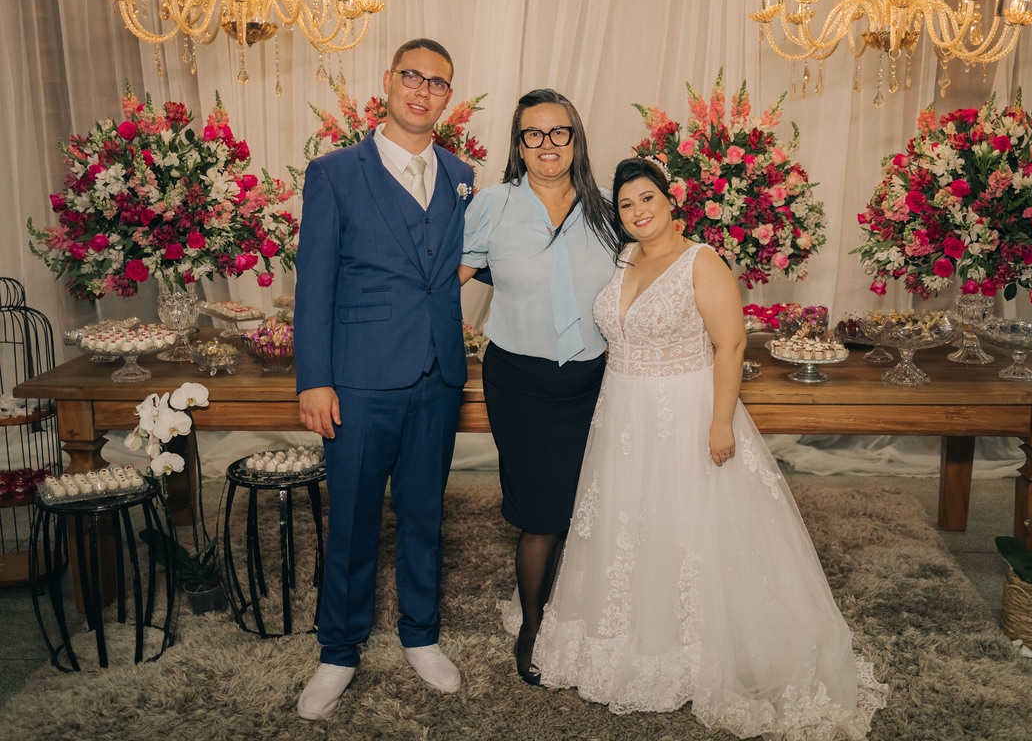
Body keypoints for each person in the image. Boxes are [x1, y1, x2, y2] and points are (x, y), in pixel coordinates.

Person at [531, 157, 888, 739]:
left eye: (647, 198)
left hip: (684, 412)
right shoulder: (623, 258)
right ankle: (629, 641)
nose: (638, 211)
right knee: (628, 524)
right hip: (622, 414)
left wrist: (721, 424)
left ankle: (696, 650)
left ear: (669, 200)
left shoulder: (702, 260)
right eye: (627, 204)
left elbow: (732, 345)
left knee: (687, 524)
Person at [293, 38, 475, 720]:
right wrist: (315, 380)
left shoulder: (461, 174)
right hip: (359, 380)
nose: (423, 91)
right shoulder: (334, 173)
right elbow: (313, 286)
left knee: (425, 515)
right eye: (412, 77)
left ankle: (421, 635)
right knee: (353, 520)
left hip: (437, 375)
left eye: (437, 83)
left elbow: (465, 259)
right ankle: (339, 650)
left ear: (448, 97)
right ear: (388, 81)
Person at [458, 89, 620, 686]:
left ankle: (582, 608)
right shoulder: (492, 205)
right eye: (534, 133)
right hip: (520, 382)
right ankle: (533, 624)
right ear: (519, 144)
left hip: (596, 379)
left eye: (559, 132)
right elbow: (446, 280)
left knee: (591, 503)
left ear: (576, 139)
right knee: (541, 512)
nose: (547, 144)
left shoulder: (608, 209)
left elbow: (647, 277)